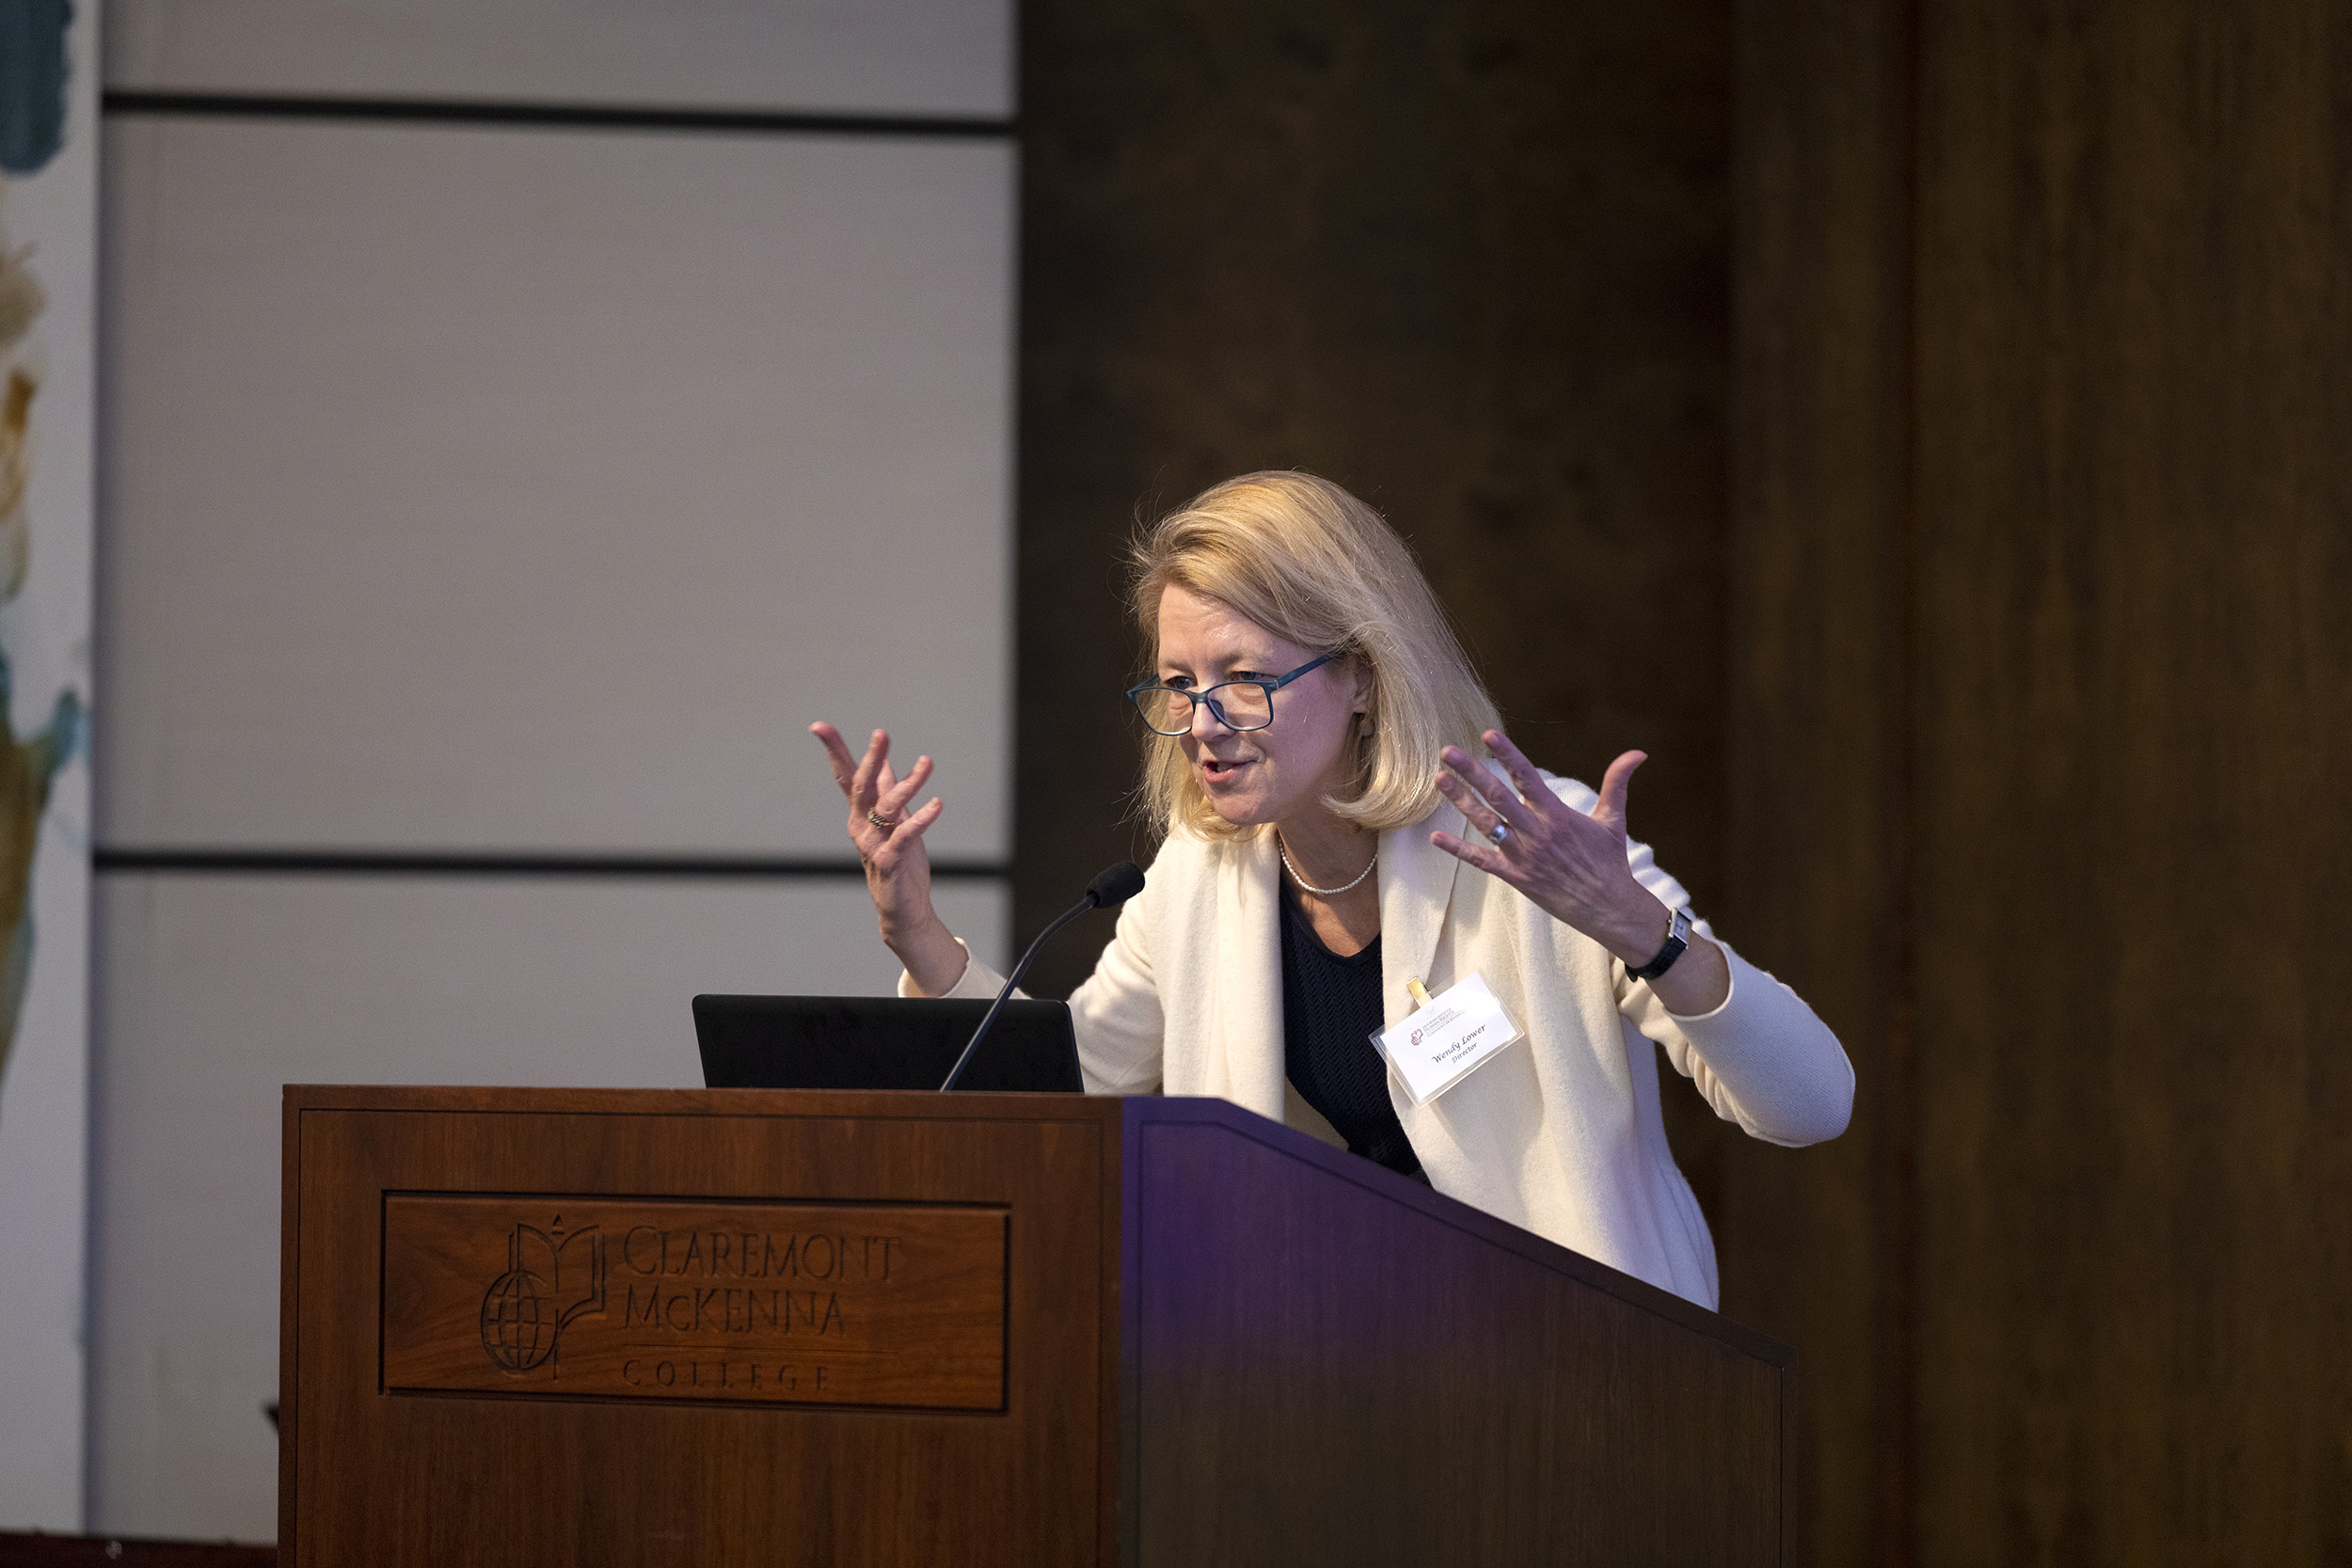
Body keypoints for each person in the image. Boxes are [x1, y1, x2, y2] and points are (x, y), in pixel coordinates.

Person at [811, 470, 1851, 1309]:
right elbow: (1067, 1094)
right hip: (1315, 1382)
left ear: (1361, 674)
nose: (1204, 719)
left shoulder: (1537, 838)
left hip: (1570, 1376)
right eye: (1178, 682)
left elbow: (1809, 1106)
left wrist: (1644, 931)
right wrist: (922, 938)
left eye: (1244, 677)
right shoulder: (1199, 870)